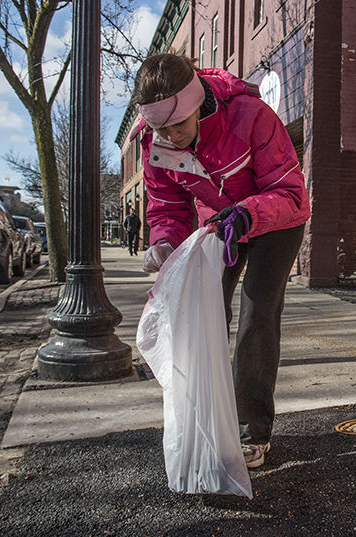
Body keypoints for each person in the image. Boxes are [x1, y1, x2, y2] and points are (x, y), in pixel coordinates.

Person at [132, 53, 311, 468]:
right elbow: (167, 208)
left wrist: (248, 213)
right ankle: (208, 421)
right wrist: (162, 243)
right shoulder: (152, 139)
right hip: (220, 222)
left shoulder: (250, 115)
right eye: (159, 128)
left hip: (275, 219)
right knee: (202, 311)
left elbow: (290, 192)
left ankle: (251, 432)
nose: (170, 136)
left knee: (257, 312)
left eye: (177, 125)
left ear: (197, 106)